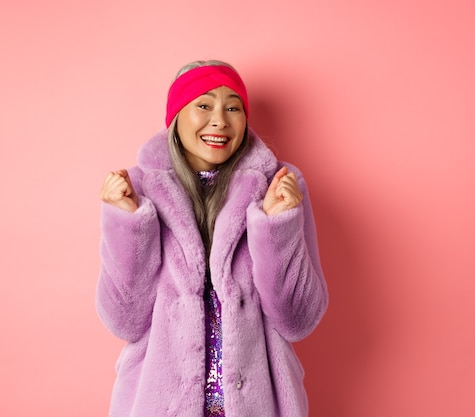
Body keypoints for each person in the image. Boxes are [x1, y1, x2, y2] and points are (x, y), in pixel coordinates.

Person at [97, 60, 328, 417]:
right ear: (176, 117)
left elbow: (297, 320)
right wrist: (129, 224)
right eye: (204, 105)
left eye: (233, 107)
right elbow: (124, 320)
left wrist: (276, 225)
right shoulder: (139, 190)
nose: (220, 119)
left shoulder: (280, 188)